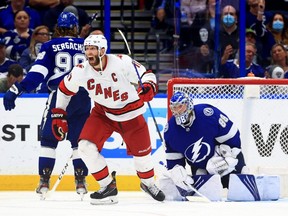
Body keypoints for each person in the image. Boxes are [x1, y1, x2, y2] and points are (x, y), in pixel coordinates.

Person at [50, 34, 165, 204]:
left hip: (131, 114)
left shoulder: (122, 62)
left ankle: (147, 184)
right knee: (85, 147)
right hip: (102, 114)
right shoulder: (81, 70)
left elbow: (147, 75)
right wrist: (59, 113)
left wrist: (149, 87)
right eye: (87, 48)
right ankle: (107, 187)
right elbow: (64, 89)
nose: (89, 52)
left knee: (143, 157)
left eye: (93, 48)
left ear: (102, 50)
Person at [3, 11, 90, 199]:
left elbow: (38, 73)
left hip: (60, 96)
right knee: (80, 143)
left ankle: (44, 181)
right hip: (83, 97)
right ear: (76, 28)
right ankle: (81, 181)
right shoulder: (87, 45)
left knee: (49, 141)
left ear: (57, 27)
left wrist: (17, 89)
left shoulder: (50, 46)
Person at [161, 91, 247, 200]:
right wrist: (177, 174)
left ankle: (240, 173)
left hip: (223, 159)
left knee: (240, 179)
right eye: (174, 108)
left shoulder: (207, 114)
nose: (176, 111)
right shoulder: (171, 131)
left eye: (180, 107)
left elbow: (231, 136)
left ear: (189, 105)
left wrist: (230, 157)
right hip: (200, 168)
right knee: (202, 180)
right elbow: (174, 163)